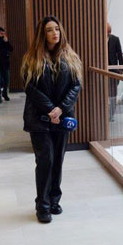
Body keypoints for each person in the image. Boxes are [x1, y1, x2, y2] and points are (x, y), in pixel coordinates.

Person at [21, 16, 82, 223]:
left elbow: (76, 85)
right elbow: (30, 88)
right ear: (42, 34)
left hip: (63, 117)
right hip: (39, 118)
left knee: (58, 160)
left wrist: (61, 109)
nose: (55, 33)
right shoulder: (32, 58)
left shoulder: (70, 56)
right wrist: (50, 109)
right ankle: (43, 205)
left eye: (57, 28)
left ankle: (54, 200)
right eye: (49, 29)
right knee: (45, 160)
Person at [0, 27, 14, 104]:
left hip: (5, 63)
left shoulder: (5, 40)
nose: (3, 35)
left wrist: (7, 42)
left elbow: (11, 49)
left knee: (7, 80)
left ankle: (5, 93)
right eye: (1, 33)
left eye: (4, 33)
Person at [107, 23, 123, 121]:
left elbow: (120, 55)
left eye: (110, 31)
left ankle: (111, 114)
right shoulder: (98, 39)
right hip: (103, 71)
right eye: (107, 31)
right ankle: (104, 113)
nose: (109, 33)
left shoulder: (115, 39)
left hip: (114, 71)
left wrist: (121, 70)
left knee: (113, 94)